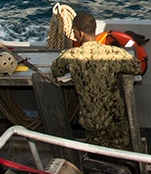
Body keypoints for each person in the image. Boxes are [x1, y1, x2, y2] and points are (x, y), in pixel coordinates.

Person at [50, 12, 141, 150]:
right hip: (114, 119)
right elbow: (136, 67)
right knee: (121, 152)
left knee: (96, 153)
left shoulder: (70, 56)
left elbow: (56, 70)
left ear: (79, 34)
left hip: (91, 121)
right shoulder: (113, 53)